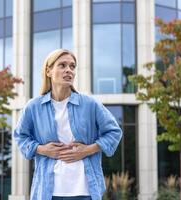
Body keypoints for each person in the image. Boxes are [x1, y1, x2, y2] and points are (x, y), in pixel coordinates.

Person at [14, 49, 122, 200]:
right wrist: (42, 149)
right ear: (48, 71)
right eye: (62, 65)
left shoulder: (90, 104)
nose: (68, 70)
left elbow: (114, 132)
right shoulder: (34, 107)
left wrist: (88, 150)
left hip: (85, 191)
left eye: (72, 66)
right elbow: (20, 136)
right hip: (48, 192)